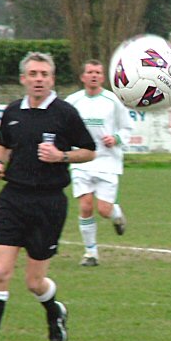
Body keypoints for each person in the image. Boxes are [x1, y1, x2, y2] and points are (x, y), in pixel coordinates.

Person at [0, 51, 96, 341]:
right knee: (0, 272)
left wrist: (61, 157)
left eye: (45, 74)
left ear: (52, 79)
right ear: (23, 78)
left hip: (48, 203)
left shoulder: (65, 113)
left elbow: (89, 151)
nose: (39, 79)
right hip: (12, 199)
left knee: (34, 282)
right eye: (33, 74)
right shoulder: (12, 112)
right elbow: (3, 143)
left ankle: (54, 311)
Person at [65, 59, 133, 267]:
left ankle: (117, 215)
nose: (93, 75)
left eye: (97, 72)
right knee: (85, 206)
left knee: (103, 210)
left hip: (107, 161)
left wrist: (116, 139)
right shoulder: (72, 102)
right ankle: (90, 253)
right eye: (90, 72)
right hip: (81, 160)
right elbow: (62, 126)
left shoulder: (113, 101)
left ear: (102, 77)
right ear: (82, 77)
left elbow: (127, 128)